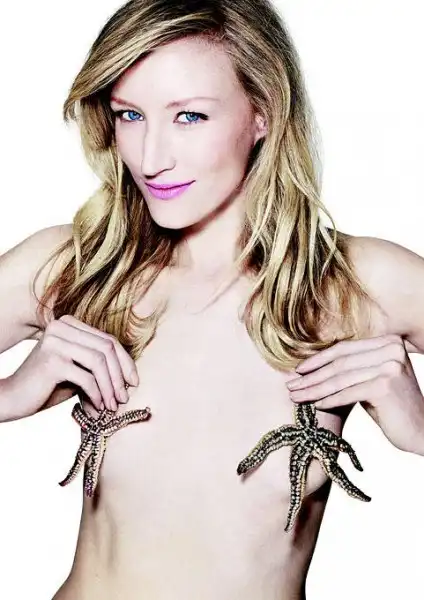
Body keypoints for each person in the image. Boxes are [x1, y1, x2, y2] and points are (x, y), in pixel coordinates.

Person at [0, 0, 423, 598]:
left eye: (190, 116)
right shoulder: (76, 269)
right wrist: (10, 395)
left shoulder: (355, 285)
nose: (151, 159)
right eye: (129, 115)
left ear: (264, 113)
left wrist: (421, 430)